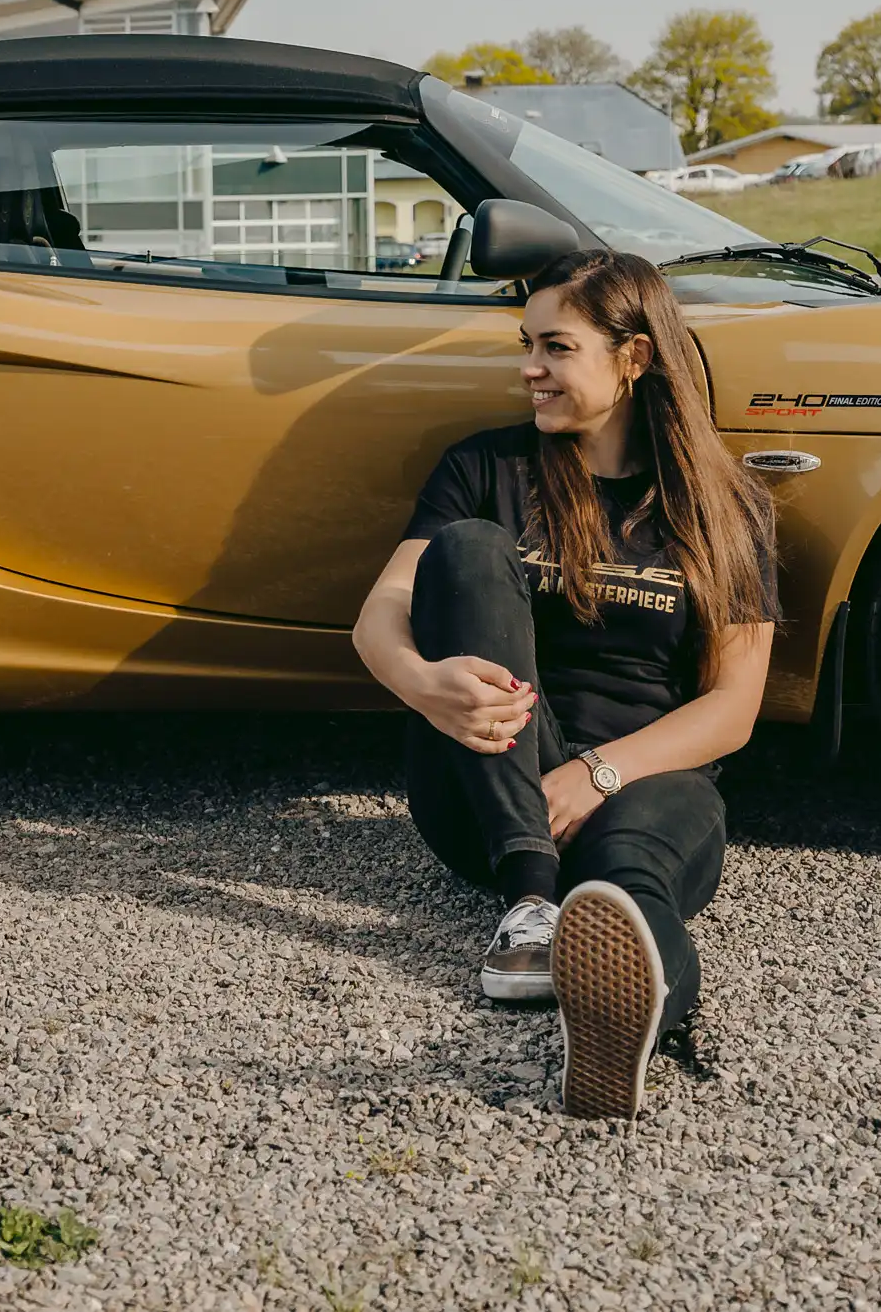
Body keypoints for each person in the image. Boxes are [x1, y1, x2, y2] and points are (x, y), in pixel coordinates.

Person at [351, 249, 779, 1118]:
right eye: (526, 344)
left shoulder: (725, 505)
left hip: (645, 777)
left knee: (630, 882)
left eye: (556, 346)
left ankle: (631, 1026)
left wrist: (597, 776)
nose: (529, 368)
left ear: (634, 357)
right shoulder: (486, 468)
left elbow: (734, 706)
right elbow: (378, 615)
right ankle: (532, 900)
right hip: (486, 776)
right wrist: (425, 683)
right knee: (468, 548)